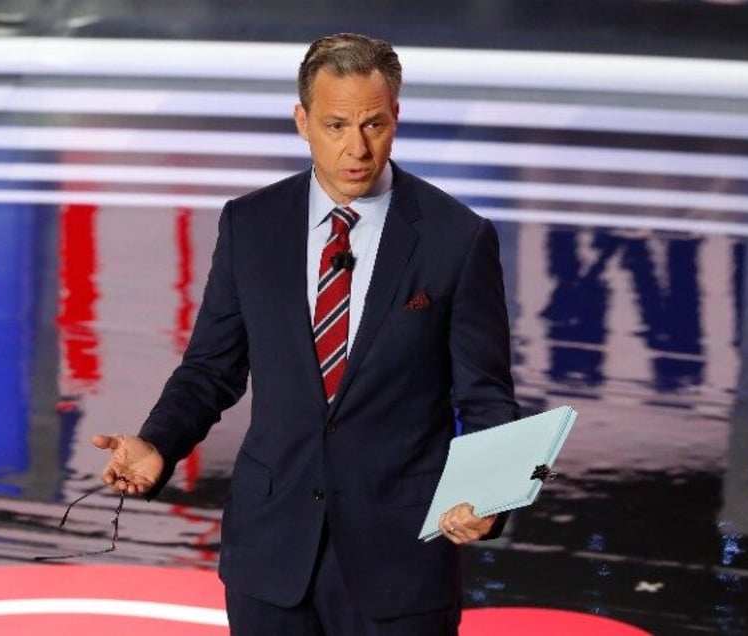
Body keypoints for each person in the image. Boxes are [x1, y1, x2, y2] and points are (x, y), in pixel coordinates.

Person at [93, 32, 519, 636]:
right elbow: (211, 369)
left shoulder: (457, 238)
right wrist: (159, 444)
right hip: (271, 558)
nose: (357, 148)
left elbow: (485, 397)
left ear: (396, 116)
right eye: (336, 125)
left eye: (373, 124)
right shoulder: (251, 225)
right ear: (302, 121)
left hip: (399, 564)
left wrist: (491, 495)